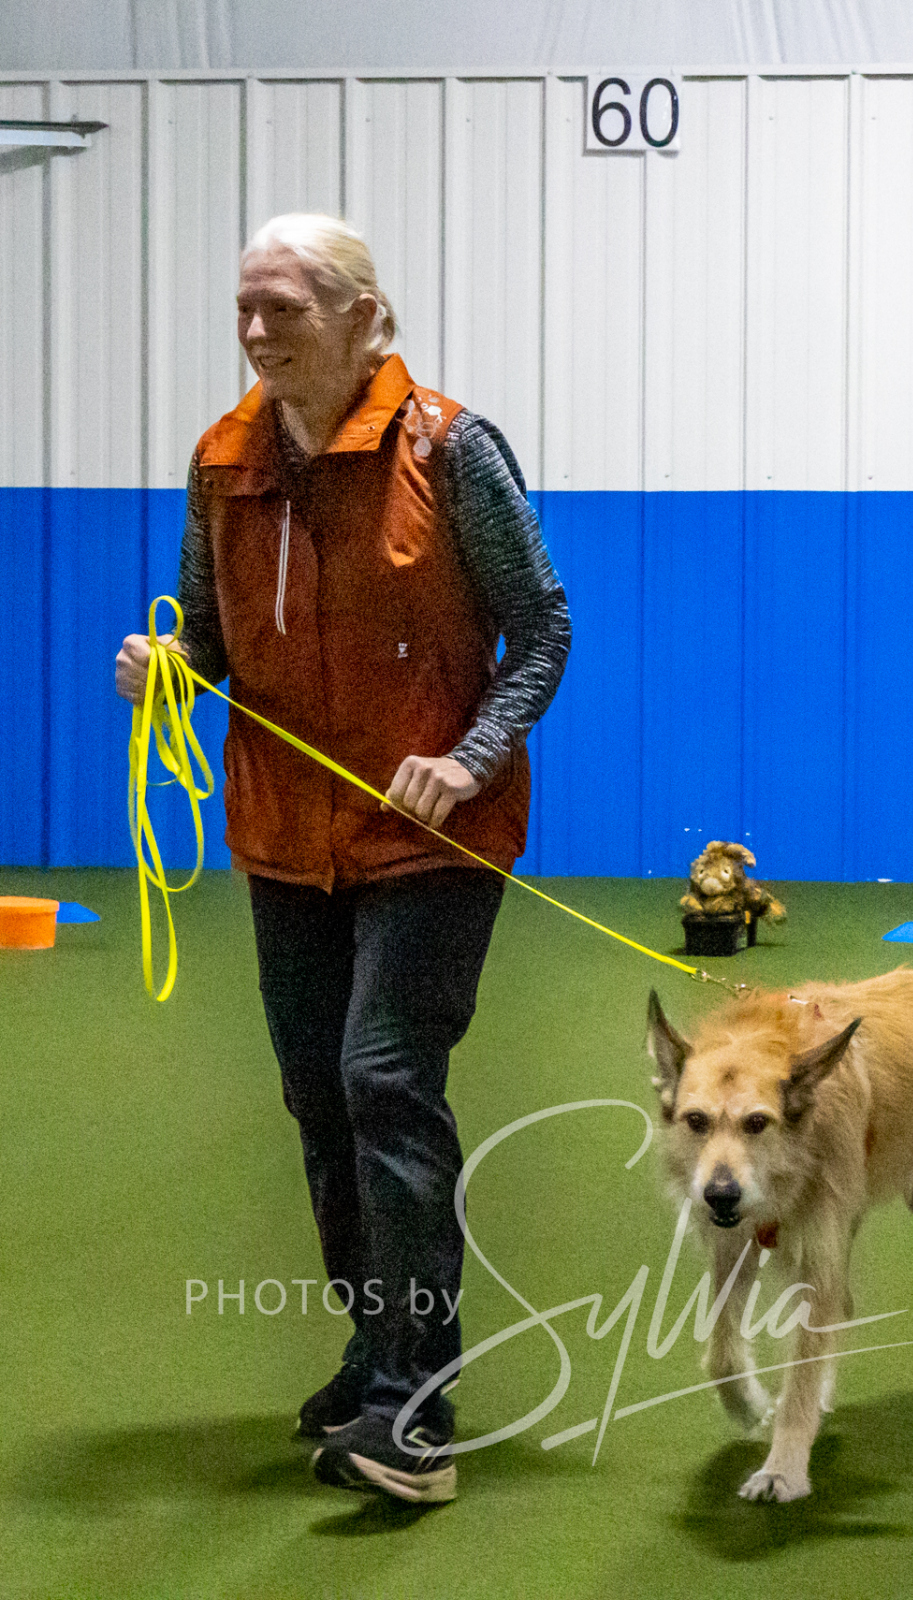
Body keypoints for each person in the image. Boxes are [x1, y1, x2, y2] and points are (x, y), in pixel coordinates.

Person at [115, 213, 570, 1504]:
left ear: (365, 318)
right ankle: (377, 1348)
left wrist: (470, 757)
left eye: (286, 308)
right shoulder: (223, 462)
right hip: (284, 839)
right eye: (245, 307)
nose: (257, 331)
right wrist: (166, 668)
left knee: (384, 1076)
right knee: (320, 1097)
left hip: (433, 835)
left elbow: (542, 625)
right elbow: (211, 643)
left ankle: (415, 1405)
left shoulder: (453, 449)